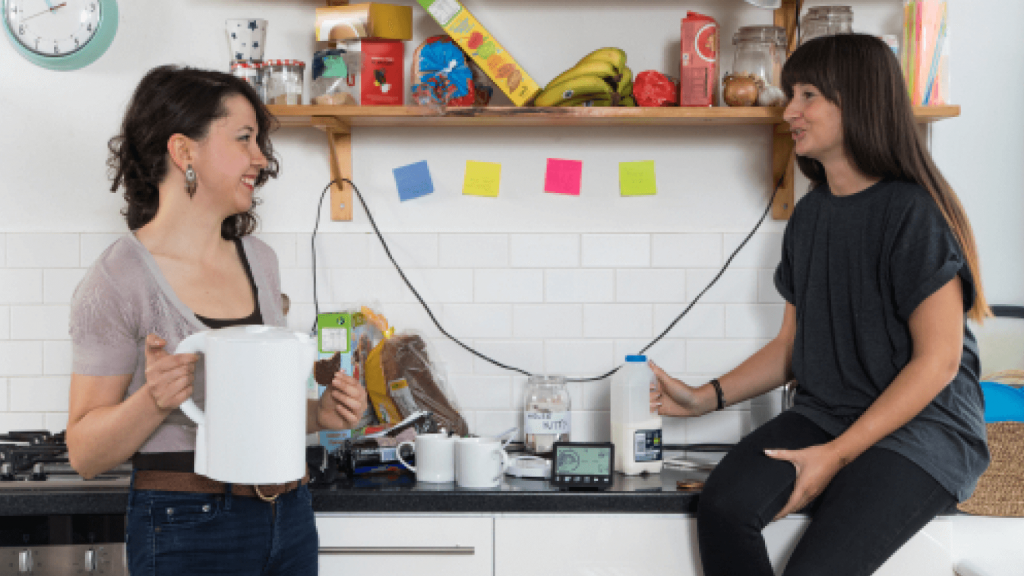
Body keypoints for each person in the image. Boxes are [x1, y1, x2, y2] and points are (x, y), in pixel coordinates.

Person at [650, 34, 990, 576]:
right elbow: (792, 347)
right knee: (723, 506)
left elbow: (939, 363)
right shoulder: (810, 217)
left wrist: (837, 455)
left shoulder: (912, 213)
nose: (791, 111)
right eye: (791, 94)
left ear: (858, 103)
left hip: (924, 431)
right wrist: (702, 398)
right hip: (826, 415)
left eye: (808, 95)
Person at [65, 65, 368, 576]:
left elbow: (261, 411)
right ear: (184, 152)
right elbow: (85, 453)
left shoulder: (261, 261)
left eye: (260, 141)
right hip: (185, 523)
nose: (261, 158)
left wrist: (321, 416)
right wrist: (154, 398)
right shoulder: (118, 279)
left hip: (289, 515)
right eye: (245, 138)